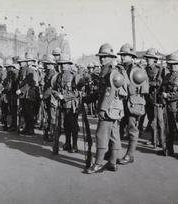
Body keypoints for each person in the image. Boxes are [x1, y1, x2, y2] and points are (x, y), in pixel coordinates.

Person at [84, 43, 127, 174]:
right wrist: (87, 98)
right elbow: (100, 92)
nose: (102, 59)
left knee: (101, 135)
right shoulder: (109, 71)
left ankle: (98, 164)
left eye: (105, 57)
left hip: (109, 108)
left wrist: (102, 109)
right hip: (114, 108)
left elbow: (109, 92)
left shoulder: (111, 71)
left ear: (111, 57)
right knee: (114, 135)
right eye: (101, 57)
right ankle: (112, 163)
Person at [117, 43, 149, 165]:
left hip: (133, 103)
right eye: (122, 55)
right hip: (123, 102)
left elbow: (144, 89)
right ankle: (112, 152)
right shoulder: (121, 68)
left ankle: (130, 155)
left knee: (132, 129)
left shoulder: (138, 70)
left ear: (131, 57)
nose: (123, 57)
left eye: (125, 55)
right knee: (118, 128)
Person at [51, 54, 83, 153]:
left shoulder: (74, 76)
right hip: (62, 105)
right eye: (61, 64)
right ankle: (67, 143)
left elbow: (77, 92)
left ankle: (75, 145)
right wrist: (57, 94)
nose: (62, 66)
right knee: (65, 125)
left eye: (64, 64)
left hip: (72, 105)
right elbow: (54, 89)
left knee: (73, 125)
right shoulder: (59, 76)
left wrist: (64, 97)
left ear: (69, 64)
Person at [161, 52, 178, 159]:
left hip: (177, 107)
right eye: (171, 64)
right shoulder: (167, 76)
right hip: (167, 107)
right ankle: (169, 150)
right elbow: (163, 88)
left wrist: (168, 95)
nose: (173, 66)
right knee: (169, 130)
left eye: (175, 64)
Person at [143, 48, 167, 153]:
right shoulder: (144, 69)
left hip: (157, 98)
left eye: (150, 58)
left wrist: (147, 83)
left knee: (160, 121)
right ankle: (153, 140)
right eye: (147, 58)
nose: (148, 60)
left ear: (154, 59)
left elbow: (159, 83)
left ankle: (161, 141)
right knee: (151, 119)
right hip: (148, 98)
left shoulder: (159, 69)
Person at [42, 55, 58, 141]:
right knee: (49, 115)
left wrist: (44, 95)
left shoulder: (52, 74)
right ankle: (50, 131)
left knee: (52, 116)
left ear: (52, 64)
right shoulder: (48, 73)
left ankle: (53, 133)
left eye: (48, 63)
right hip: (48, 97)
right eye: (46, 63)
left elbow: (50, 88)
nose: (46, 65)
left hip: (51, 97)